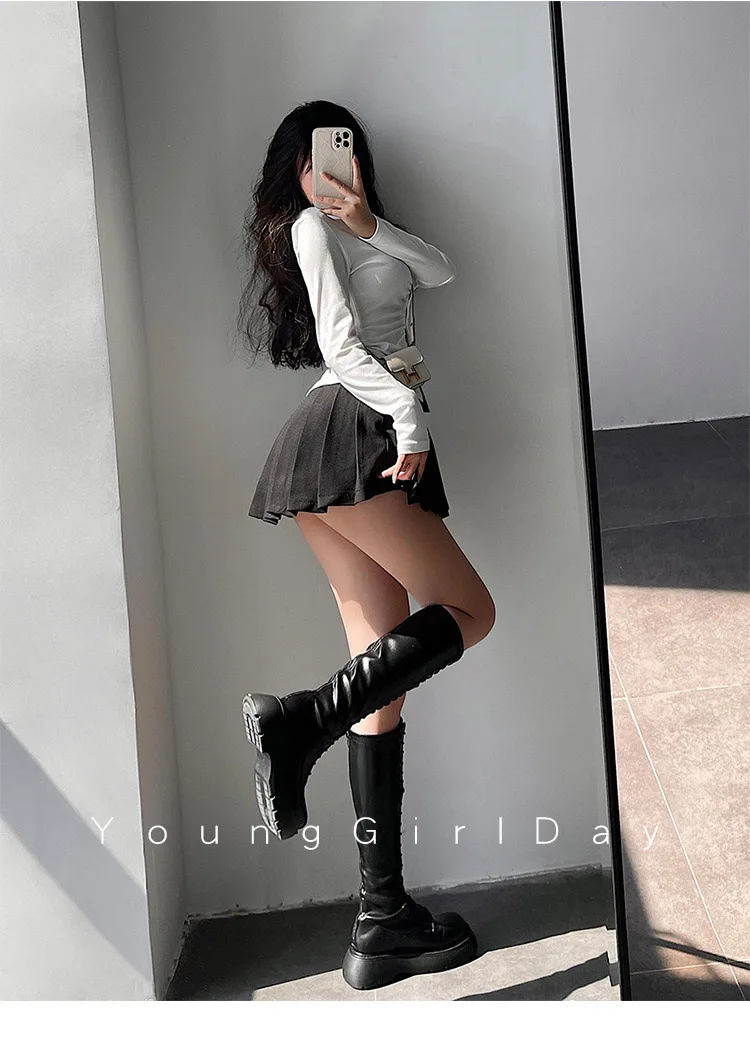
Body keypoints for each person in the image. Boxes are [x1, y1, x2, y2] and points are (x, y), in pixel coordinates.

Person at [237, 101, 496, 991]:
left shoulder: (359, 229)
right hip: (356, 430)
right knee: (470, 610)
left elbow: (442, 270)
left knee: (379, 680)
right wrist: (409, 418)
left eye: (342, 155)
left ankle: (379, 919)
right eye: (314, 161)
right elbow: (343, 348)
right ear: (297, 172)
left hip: (353, 440)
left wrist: (371, 224)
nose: (330, 173)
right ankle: (300, 722)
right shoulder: (309, 229)